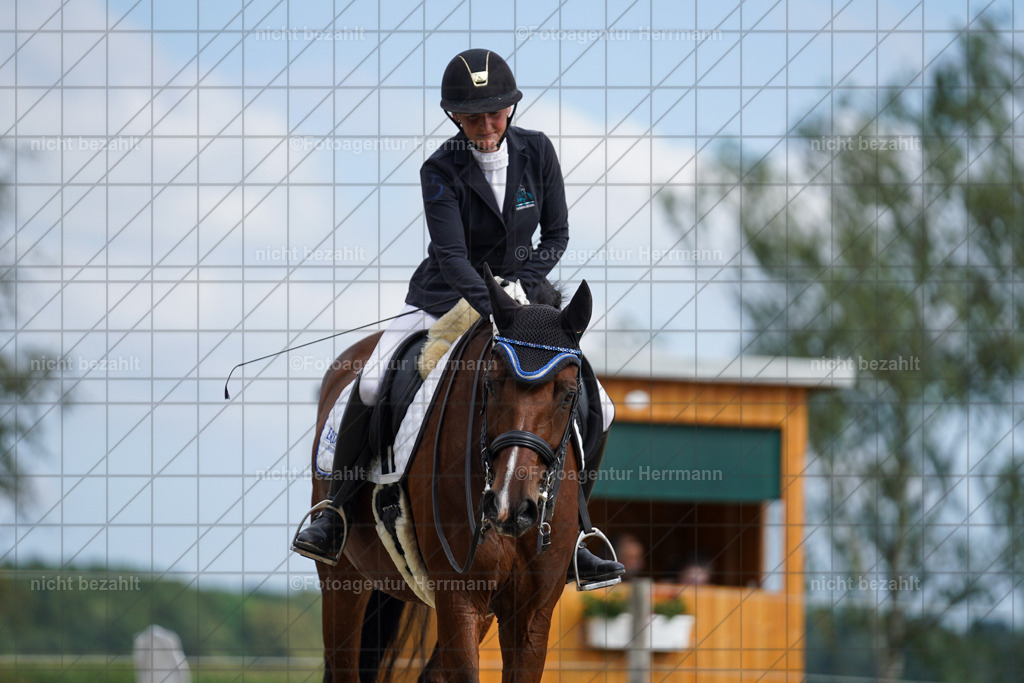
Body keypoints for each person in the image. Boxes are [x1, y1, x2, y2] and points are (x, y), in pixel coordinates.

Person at [291, 48, 624, 589]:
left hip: (524, 299)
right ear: (454, 117)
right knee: (372, 381)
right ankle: (336, 511)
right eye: (472, 118)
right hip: (446, 296)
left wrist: (520, 286)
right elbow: (450, 256)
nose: (486, 127)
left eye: (494, 114)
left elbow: (557, 234)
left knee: (601, 405)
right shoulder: (440, 169)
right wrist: (493, 301)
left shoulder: (538, 151)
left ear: (509, 109)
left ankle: (578, 533)